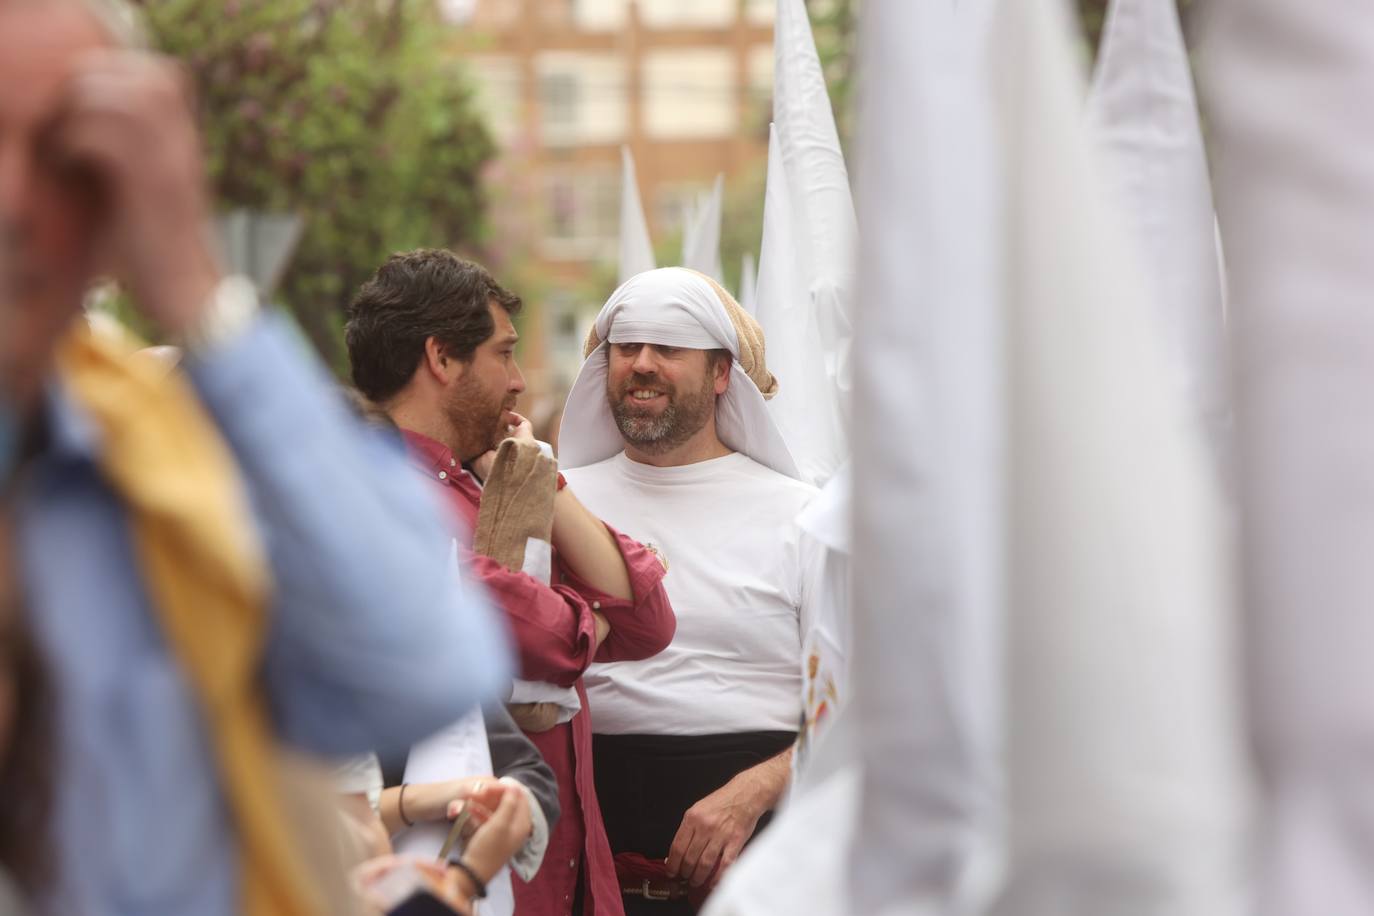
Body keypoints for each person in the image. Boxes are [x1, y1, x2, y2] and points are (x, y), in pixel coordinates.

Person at [0, 2, 514, 914]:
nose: (10, 202)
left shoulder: (169, 472)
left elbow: (425, 667)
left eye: (64, 157)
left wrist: (198, 293)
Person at [345, 249, 677, 916]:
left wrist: (540, 480)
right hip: (466, 883)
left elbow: (650, 622)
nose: (521, 382)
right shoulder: (382, 501)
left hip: (564, 876)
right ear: (442, 359)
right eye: (504, 353)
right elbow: (558, 642)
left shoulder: (484, 482)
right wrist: (581, 610)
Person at [557, 267, 823, 913]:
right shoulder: (557, 501)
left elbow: (868, 702)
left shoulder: (803, 515)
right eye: (626, 348)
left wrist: (758, 788)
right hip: (587, 871)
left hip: (759, 874)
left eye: (669, 349)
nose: (643, 365)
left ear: (722, 372)